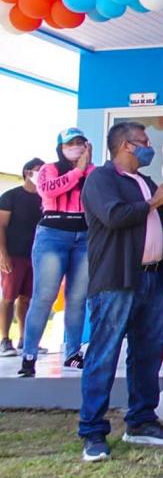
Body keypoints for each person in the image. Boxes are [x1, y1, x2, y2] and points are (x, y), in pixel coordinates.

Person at [77, 122, 163, 462]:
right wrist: (156, 200)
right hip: (117, 280)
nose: (149, 146)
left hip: (152, 279)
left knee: (147, 353)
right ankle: (93, 432)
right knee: (104, 355)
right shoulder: (101, 180)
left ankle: (141, 421)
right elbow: (114, 216)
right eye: (143, 141)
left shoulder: (146, 181)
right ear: (125, 145)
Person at [19, 128, 94, 378]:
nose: (75, 147)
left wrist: (86, 169)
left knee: (77, 297)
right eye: (70, 143)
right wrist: (77, 171)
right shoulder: (48, 169)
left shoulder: (94, 172)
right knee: (44, 296)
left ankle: (73, 353)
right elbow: (50, 190)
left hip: (84, 235)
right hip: (53, 234)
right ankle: (29, 354)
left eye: (80, 142)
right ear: (60, 147)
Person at [0, 158, 44, 357]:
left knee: (27, 298)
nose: (42, 174)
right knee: (9, 298)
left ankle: (24, 339)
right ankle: (4, 340)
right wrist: (3, 254)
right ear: (27, 173)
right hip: (14, 254)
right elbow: (1, 225)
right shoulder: (10, 196)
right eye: (38, 170)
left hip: (36, 256)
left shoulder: (45, 198)